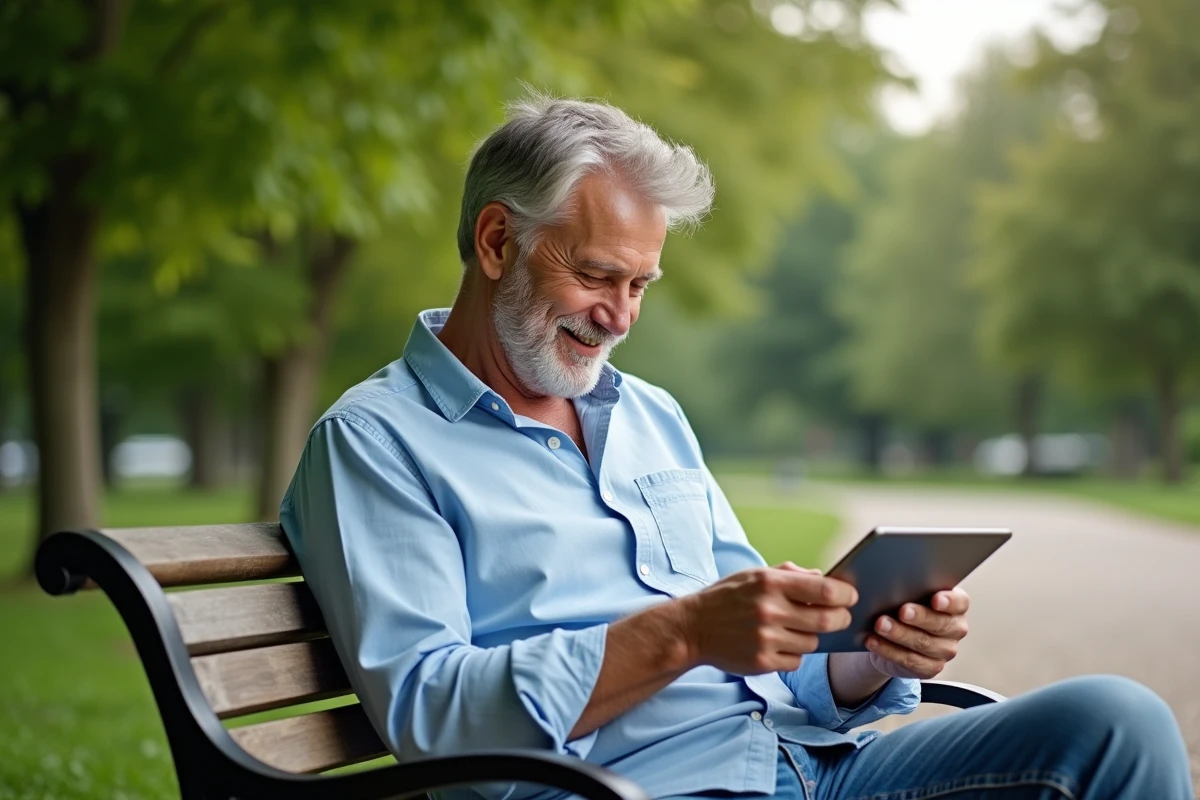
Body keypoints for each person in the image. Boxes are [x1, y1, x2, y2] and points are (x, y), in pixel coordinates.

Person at [281, 95, 1192, 800]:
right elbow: (431, 713)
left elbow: (769, 658)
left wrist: (869, 654)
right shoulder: (376, 444)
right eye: (598, 275)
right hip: (635, 789)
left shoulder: (649, 415)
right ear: (495, 242)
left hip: (804, 766)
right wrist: (681, 634)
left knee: (1116, 723)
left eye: (642, 284)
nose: (620, 317)